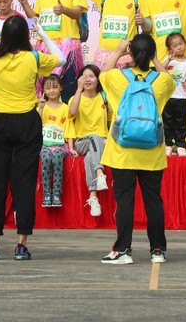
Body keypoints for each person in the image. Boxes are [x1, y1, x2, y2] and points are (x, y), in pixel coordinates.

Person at [0, 15, 62, 261]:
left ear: (5, 36)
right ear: (25, 35)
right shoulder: (33, 58)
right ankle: (21, 244)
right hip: (26, 122)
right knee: (24, 182)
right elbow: (62, 59)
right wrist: (42, 34)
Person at [98, 34, 175, 265]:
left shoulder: (117, 78)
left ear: (130, 53)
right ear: (152, 54)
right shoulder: (161, 81)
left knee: (125, 202)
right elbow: (169, 79)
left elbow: (102, 74)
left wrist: (118, 52)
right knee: (153, 201)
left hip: (122, 152)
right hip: (152, 151)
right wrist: (156, 59)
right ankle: (158, 250)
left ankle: (123, 250)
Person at [17, 0, 88, 101]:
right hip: (45, 49)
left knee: (68, 91)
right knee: (45, 92)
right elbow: (35, 22)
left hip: (68, 49)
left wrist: (64, 10)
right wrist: (24, 3)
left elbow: (78, 12)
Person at [67, 64, 110, 217]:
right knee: (93, 137)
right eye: (84, 76)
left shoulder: (104, 97)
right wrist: (79, 90)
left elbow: (111, 121)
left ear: (98, 79)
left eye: (91, 76)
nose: (88, 79)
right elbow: (72, 113)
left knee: (91, 156)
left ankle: (93, 196)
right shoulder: (75, 98)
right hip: (81, 142)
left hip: (102, 141)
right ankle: (99, 172)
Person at [163, 33, 186, 156]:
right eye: (175, 46)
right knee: (168, 122)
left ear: (185, 44)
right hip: (168, 97)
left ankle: (181, 145)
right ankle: (168, 144)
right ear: (169, 49)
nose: (179, 47)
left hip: (181, 97)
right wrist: (168, 59)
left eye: (181, 44)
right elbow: (160, 70)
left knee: (181, 123)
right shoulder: (169, 60)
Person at [38, 74, 70, 208]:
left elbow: (69, 128)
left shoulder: (66, 108)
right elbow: (36, 124)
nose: (51, 90)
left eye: (55, 87)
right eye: (48, 88)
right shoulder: (42, 106)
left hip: (60, 145)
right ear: (43, 90)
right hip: (44, 144)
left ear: (61, 88)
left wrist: (71, 146)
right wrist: (40, 107)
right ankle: (47, 193)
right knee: (46, 158)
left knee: (57, 157)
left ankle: (57, 193)